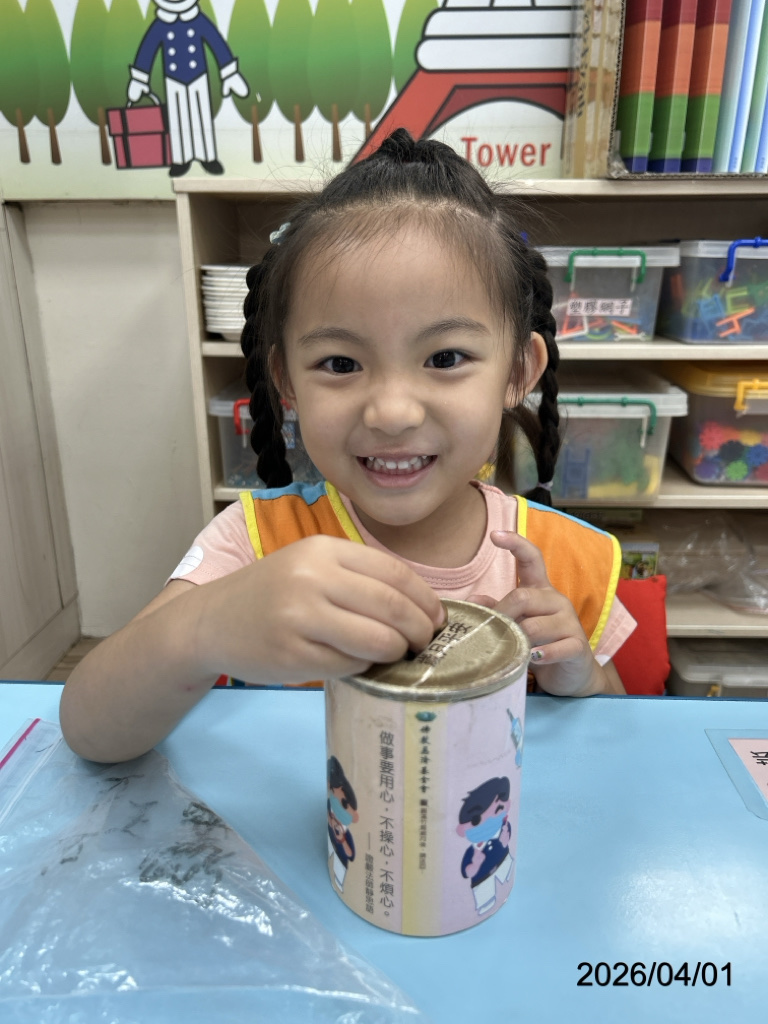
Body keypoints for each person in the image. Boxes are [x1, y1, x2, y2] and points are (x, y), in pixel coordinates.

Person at [61, 128, 630, 764]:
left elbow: (630, 749)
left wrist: (582, 681)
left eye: (445, 358)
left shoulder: (568, 562)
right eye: (340, 363)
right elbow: (89, 729)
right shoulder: (256, 545)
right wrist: (204, 626)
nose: (391, 412)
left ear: (518, 372)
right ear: (287, 382)